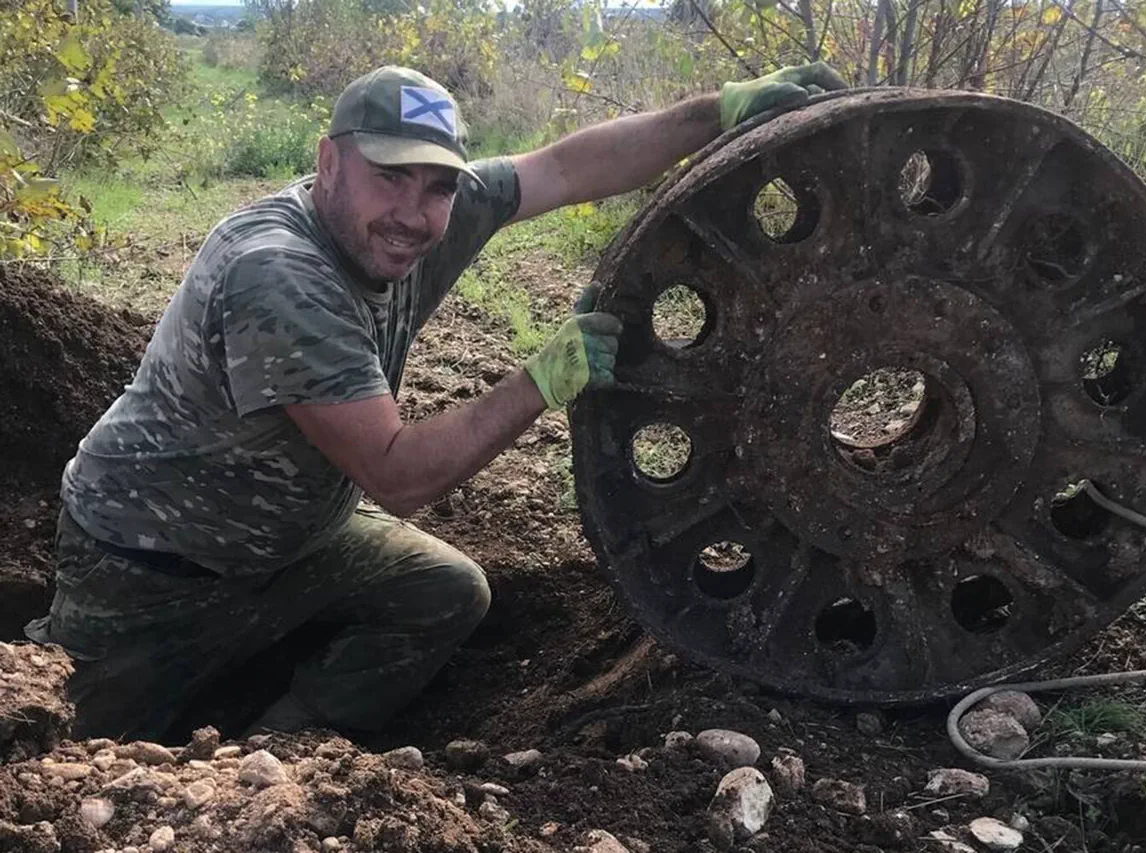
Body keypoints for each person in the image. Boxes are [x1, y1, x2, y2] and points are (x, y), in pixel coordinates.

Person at [25, 62, 847, 740]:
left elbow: (563, 167)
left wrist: (722, 110)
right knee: (77, 749)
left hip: (292, 545)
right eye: (391, 178)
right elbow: (399, 475)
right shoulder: (278, 274)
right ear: (328, 162)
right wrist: (539, 381)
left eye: (437, 185)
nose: (413, 215)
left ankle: (284, 745)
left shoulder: (423, 217)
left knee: (446, 594)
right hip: (150, 567)